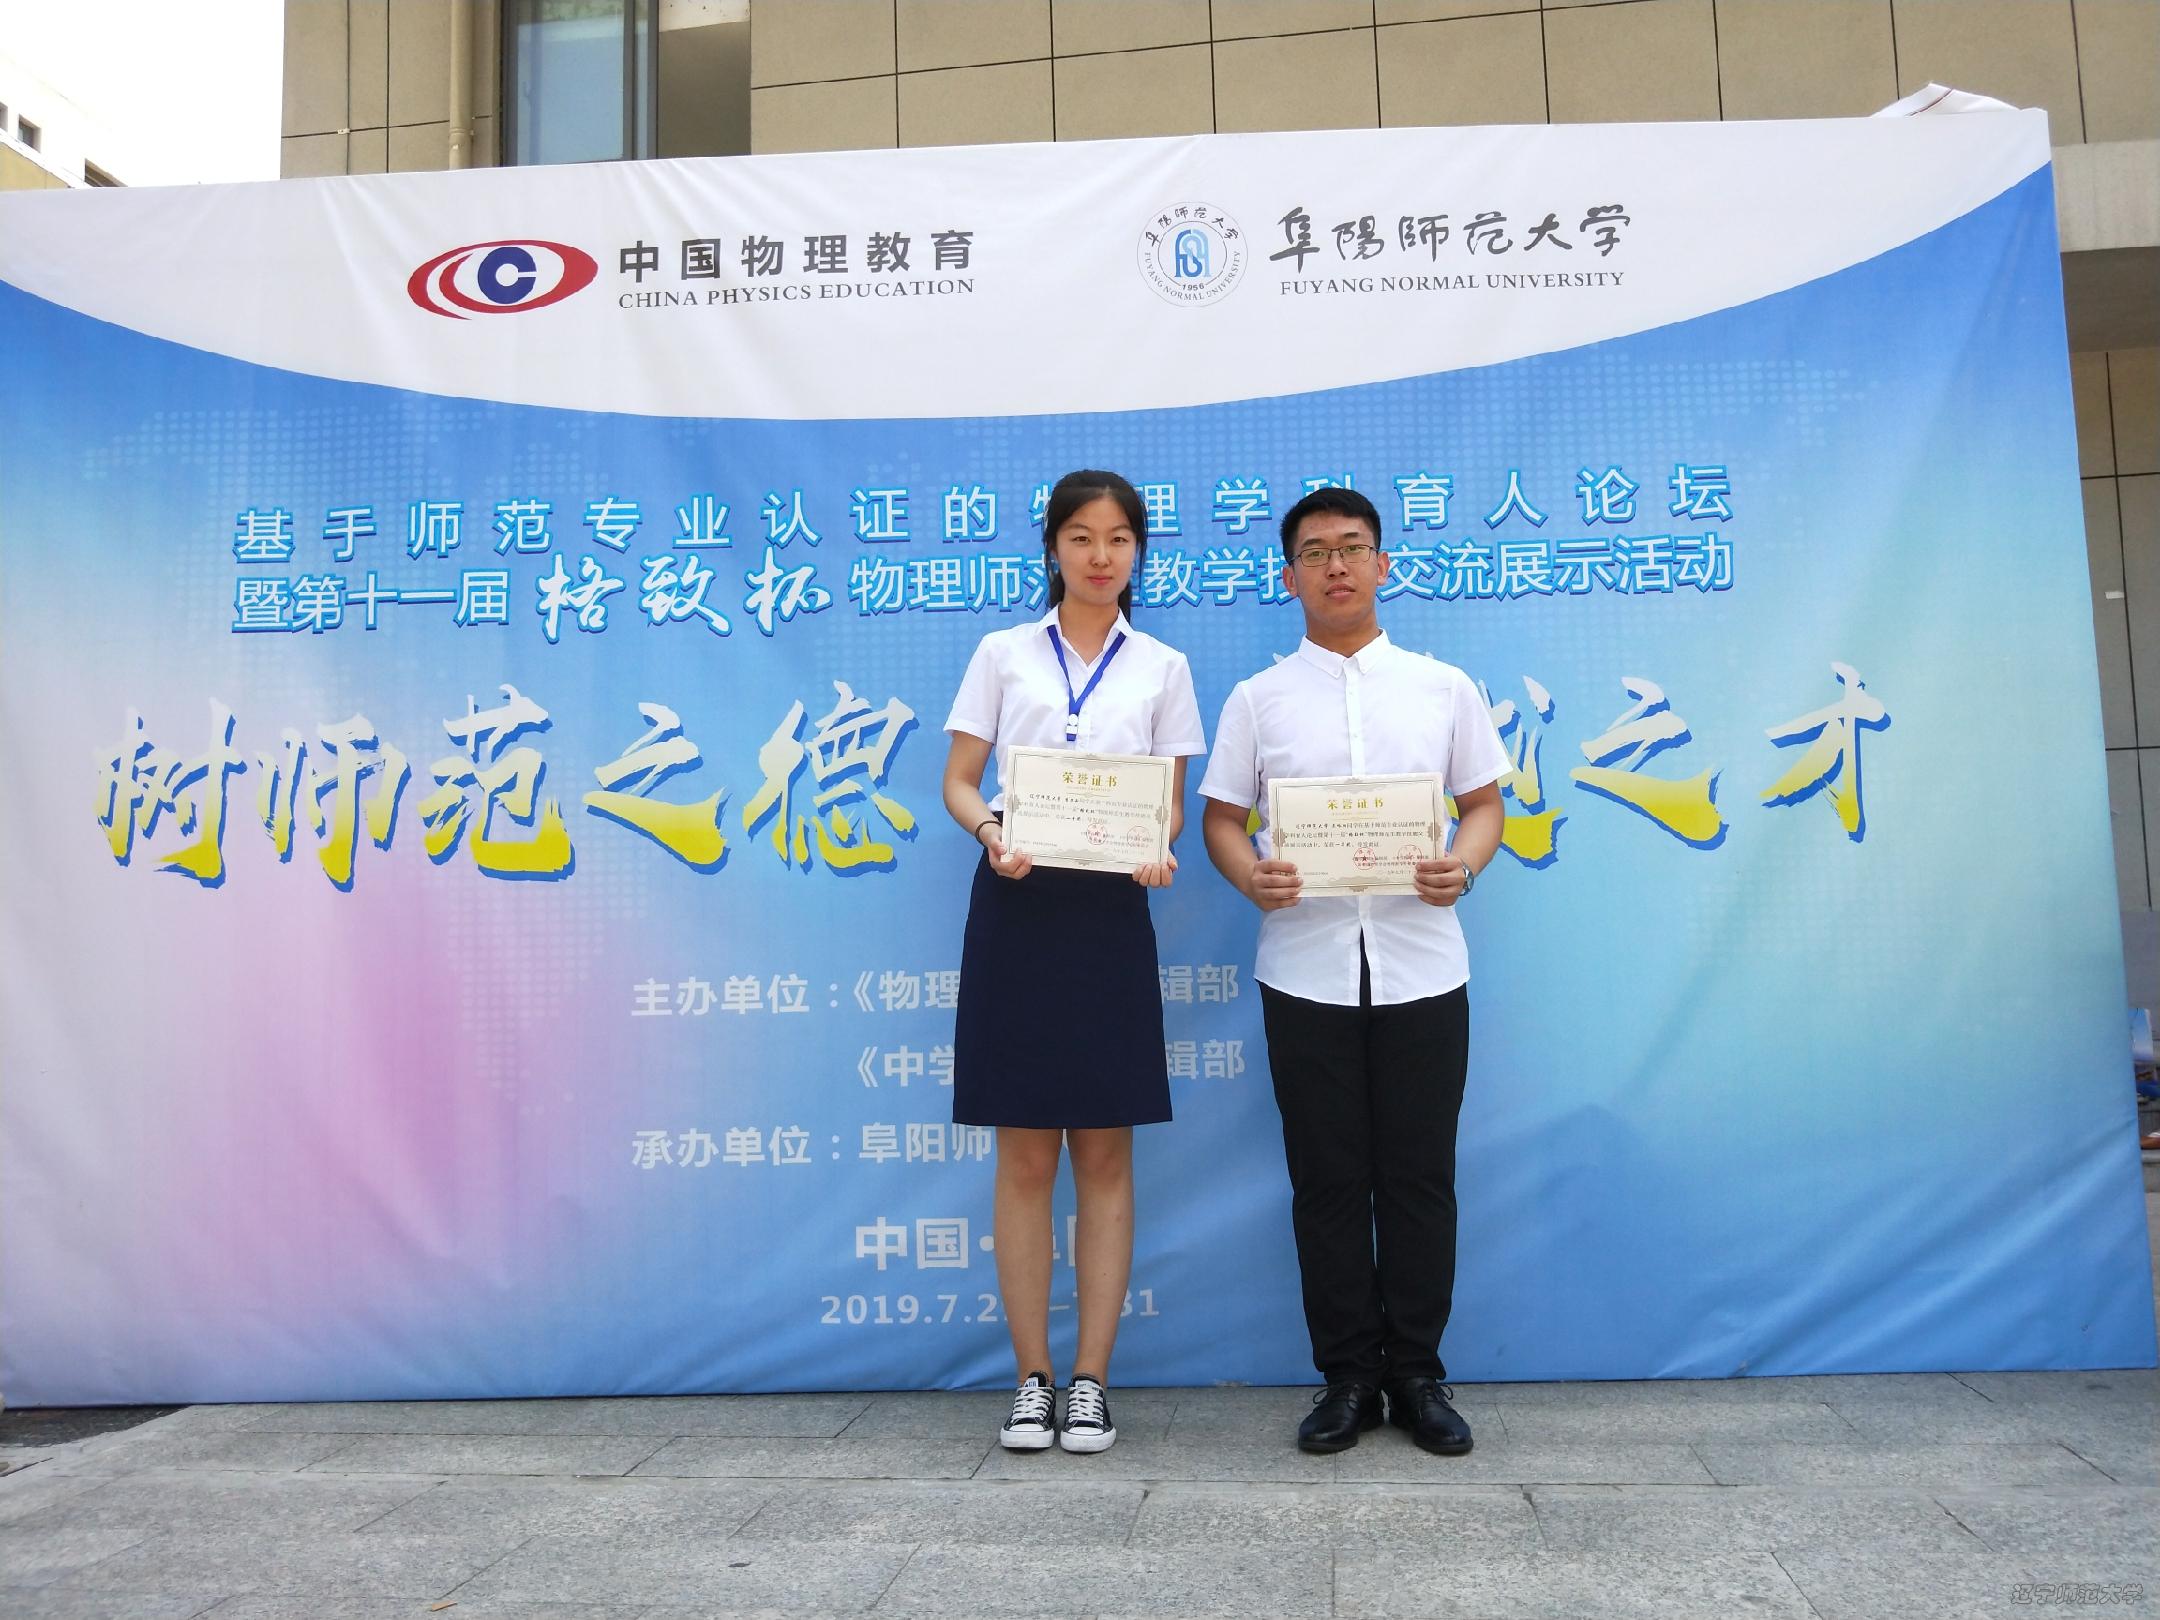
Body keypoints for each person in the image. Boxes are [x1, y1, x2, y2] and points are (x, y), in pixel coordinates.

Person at [1198, 485, 1507, 1456]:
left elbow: (1484, 805)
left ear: (1382, 565)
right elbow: (1221, 821)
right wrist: (1252, 875)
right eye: (1315, 551)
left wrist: (1464, 865)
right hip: (1305, 970)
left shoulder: (1442, 688)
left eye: (1353, 547)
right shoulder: (1257, 700)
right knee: (1326, 1180)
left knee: (1419, 1177)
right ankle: (1346, 1378)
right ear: (1289, 576)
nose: (1336, 565)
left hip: (1424, 968)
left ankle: (1416, 1374)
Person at [942, 469, 1206, 1454]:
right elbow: (959, 781)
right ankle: (1031, 1379)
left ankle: (1091, 1379)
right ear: (1052, 546)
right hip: (1016, 901)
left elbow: (1168, 809)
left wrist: (1156, 847)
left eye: (1120, 539)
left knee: (1102, 1152)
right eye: (1083, 537)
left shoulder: (1163, 667)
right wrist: (990, 831)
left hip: (1108, 913)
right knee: (1022, 1156)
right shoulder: (1003, 653)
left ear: (1139, 552)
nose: (1101, 556)